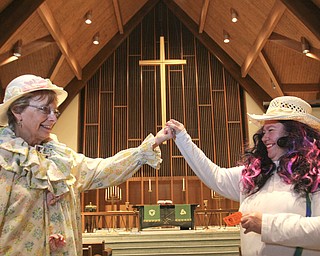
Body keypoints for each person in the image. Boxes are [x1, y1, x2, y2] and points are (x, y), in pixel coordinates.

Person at [0, 74, 172, 255]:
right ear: (17, 111)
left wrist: (150, 146)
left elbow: (102, 171)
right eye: (44, 109)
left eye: (55, 111)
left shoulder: (59, 158)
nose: (53, 118)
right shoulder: (5, 160)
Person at [166, 96, 320, 256]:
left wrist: (266, 225)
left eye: (271, 130)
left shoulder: (315, 174)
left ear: (294, 133)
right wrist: (182, 138)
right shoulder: (255, 174)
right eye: (263, 131)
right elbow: (215, 176)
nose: (264, 137)